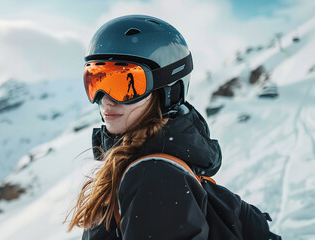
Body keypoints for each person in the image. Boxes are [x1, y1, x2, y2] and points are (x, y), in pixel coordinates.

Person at [67, 15, 273, 240]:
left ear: (168, 90)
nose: (105, 99)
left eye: (126, 84)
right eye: (96, 81)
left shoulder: (153, 175)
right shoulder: (151, 163)